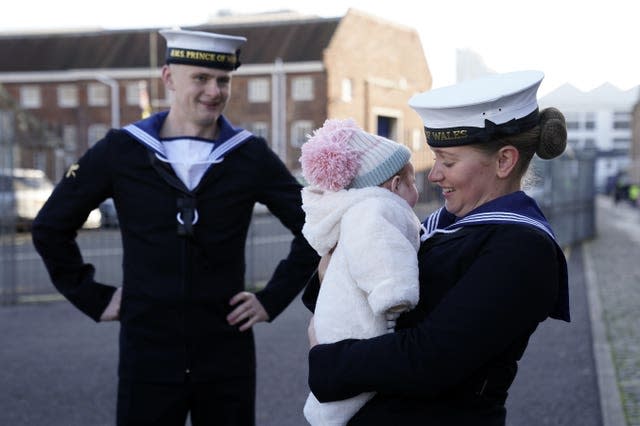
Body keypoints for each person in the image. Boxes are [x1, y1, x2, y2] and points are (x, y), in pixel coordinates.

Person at [31, 28, 318, 426]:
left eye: (222, 80)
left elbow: (314, 225)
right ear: (168, 77)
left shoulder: (248, 155)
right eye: (200, 78)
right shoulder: (122, 149)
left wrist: (272, 298)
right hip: (147, 353)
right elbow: (50, 227)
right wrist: (92, 296)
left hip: (225, 354)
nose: (213, 91)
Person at [303, 70, 571, 425]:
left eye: (448, 161)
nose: (434, 175)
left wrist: (326, 359)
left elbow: (430, 359)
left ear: (504, 161)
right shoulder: (444, 224)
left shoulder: (523, 249)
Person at [298, 118, 422, 425]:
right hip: (364, 319)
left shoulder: (355, 209)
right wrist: (395, 294)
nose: (417, 191)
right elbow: (380, 252)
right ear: (395, 185)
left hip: (338, 318)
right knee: (355, 386)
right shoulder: (376, 209)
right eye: (413, 182)